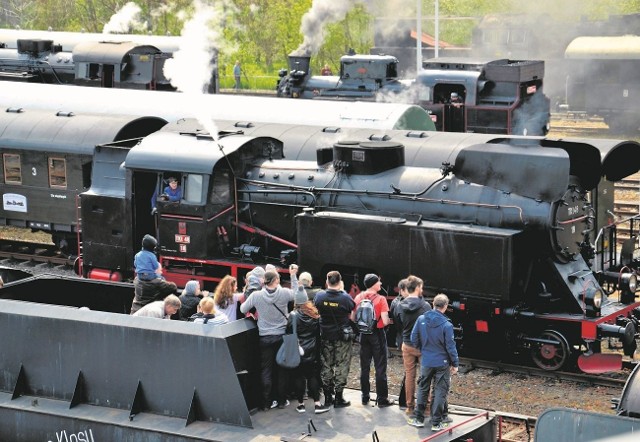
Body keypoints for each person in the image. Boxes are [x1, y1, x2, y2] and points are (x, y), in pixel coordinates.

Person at [240, 265, 299, 410]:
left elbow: (243, 309)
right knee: (281, 370)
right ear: (277, 280)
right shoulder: (284, 293)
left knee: (266, 370)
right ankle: (281, 401)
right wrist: (293, 276)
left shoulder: (256, 296)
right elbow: (297, 295)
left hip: (264, 337)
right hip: (281, 336)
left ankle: (266, 402)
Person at [408, 293, 458, 431]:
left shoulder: (421, 319)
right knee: (440, 390)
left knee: (423, 388)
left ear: (433, 304)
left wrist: (423, 349)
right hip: (442, 362)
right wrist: (455, 363)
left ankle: (418, 418)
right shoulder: (446, 325)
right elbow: (450, 346)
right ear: (446, 306)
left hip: (426, 361)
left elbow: (413, 338)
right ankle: (436, 422)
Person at [351, 273, 395, 408]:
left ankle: (365, 396)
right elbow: (386, 321)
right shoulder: (381, 299)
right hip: (377, 335)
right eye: (379, 282)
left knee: (364, 367)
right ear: (373, 284)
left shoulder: (358, 297)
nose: (381, 284)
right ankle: (382, 399)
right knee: (380, 367)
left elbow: (353, 318)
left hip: (363, 335)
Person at [314, 270, 355, 409]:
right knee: (342, 365)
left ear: (327, 281)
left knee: (326, 365)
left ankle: (327, 396)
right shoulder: (345, 298)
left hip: (325, 335)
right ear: (340, 281)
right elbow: (351, 311)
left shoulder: (319, 296)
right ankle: (339, 397)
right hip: (341, 337)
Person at [288, 286, 330, 414]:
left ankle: (301, 405)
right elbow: (319, 333)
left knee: (299, 377)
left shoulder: (293, 316)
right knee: (312, 376)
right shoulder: (314, 314)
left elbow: (288, 332)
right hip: (312, 350)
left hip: (297, 350)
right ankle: (317, 404)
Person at [397, 275, 431, 416]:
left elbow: (399, 323)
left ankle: (410, 407)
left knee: (410, 376)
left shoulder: (400, 305)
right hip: (423, 346)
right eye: (421, 287)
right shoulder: (425, 306)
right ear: (417, 288)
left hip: (407, 344)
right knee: (425, 377)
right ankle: (426, 408)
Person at [130, 234, 177, 315]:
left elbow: (135, 264)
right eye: (160, 270)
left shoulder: (137, 280)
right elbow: (173, 287)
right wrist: (160, 277)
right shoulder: (157, 282)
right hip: (149, 313)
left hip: (135, 311)